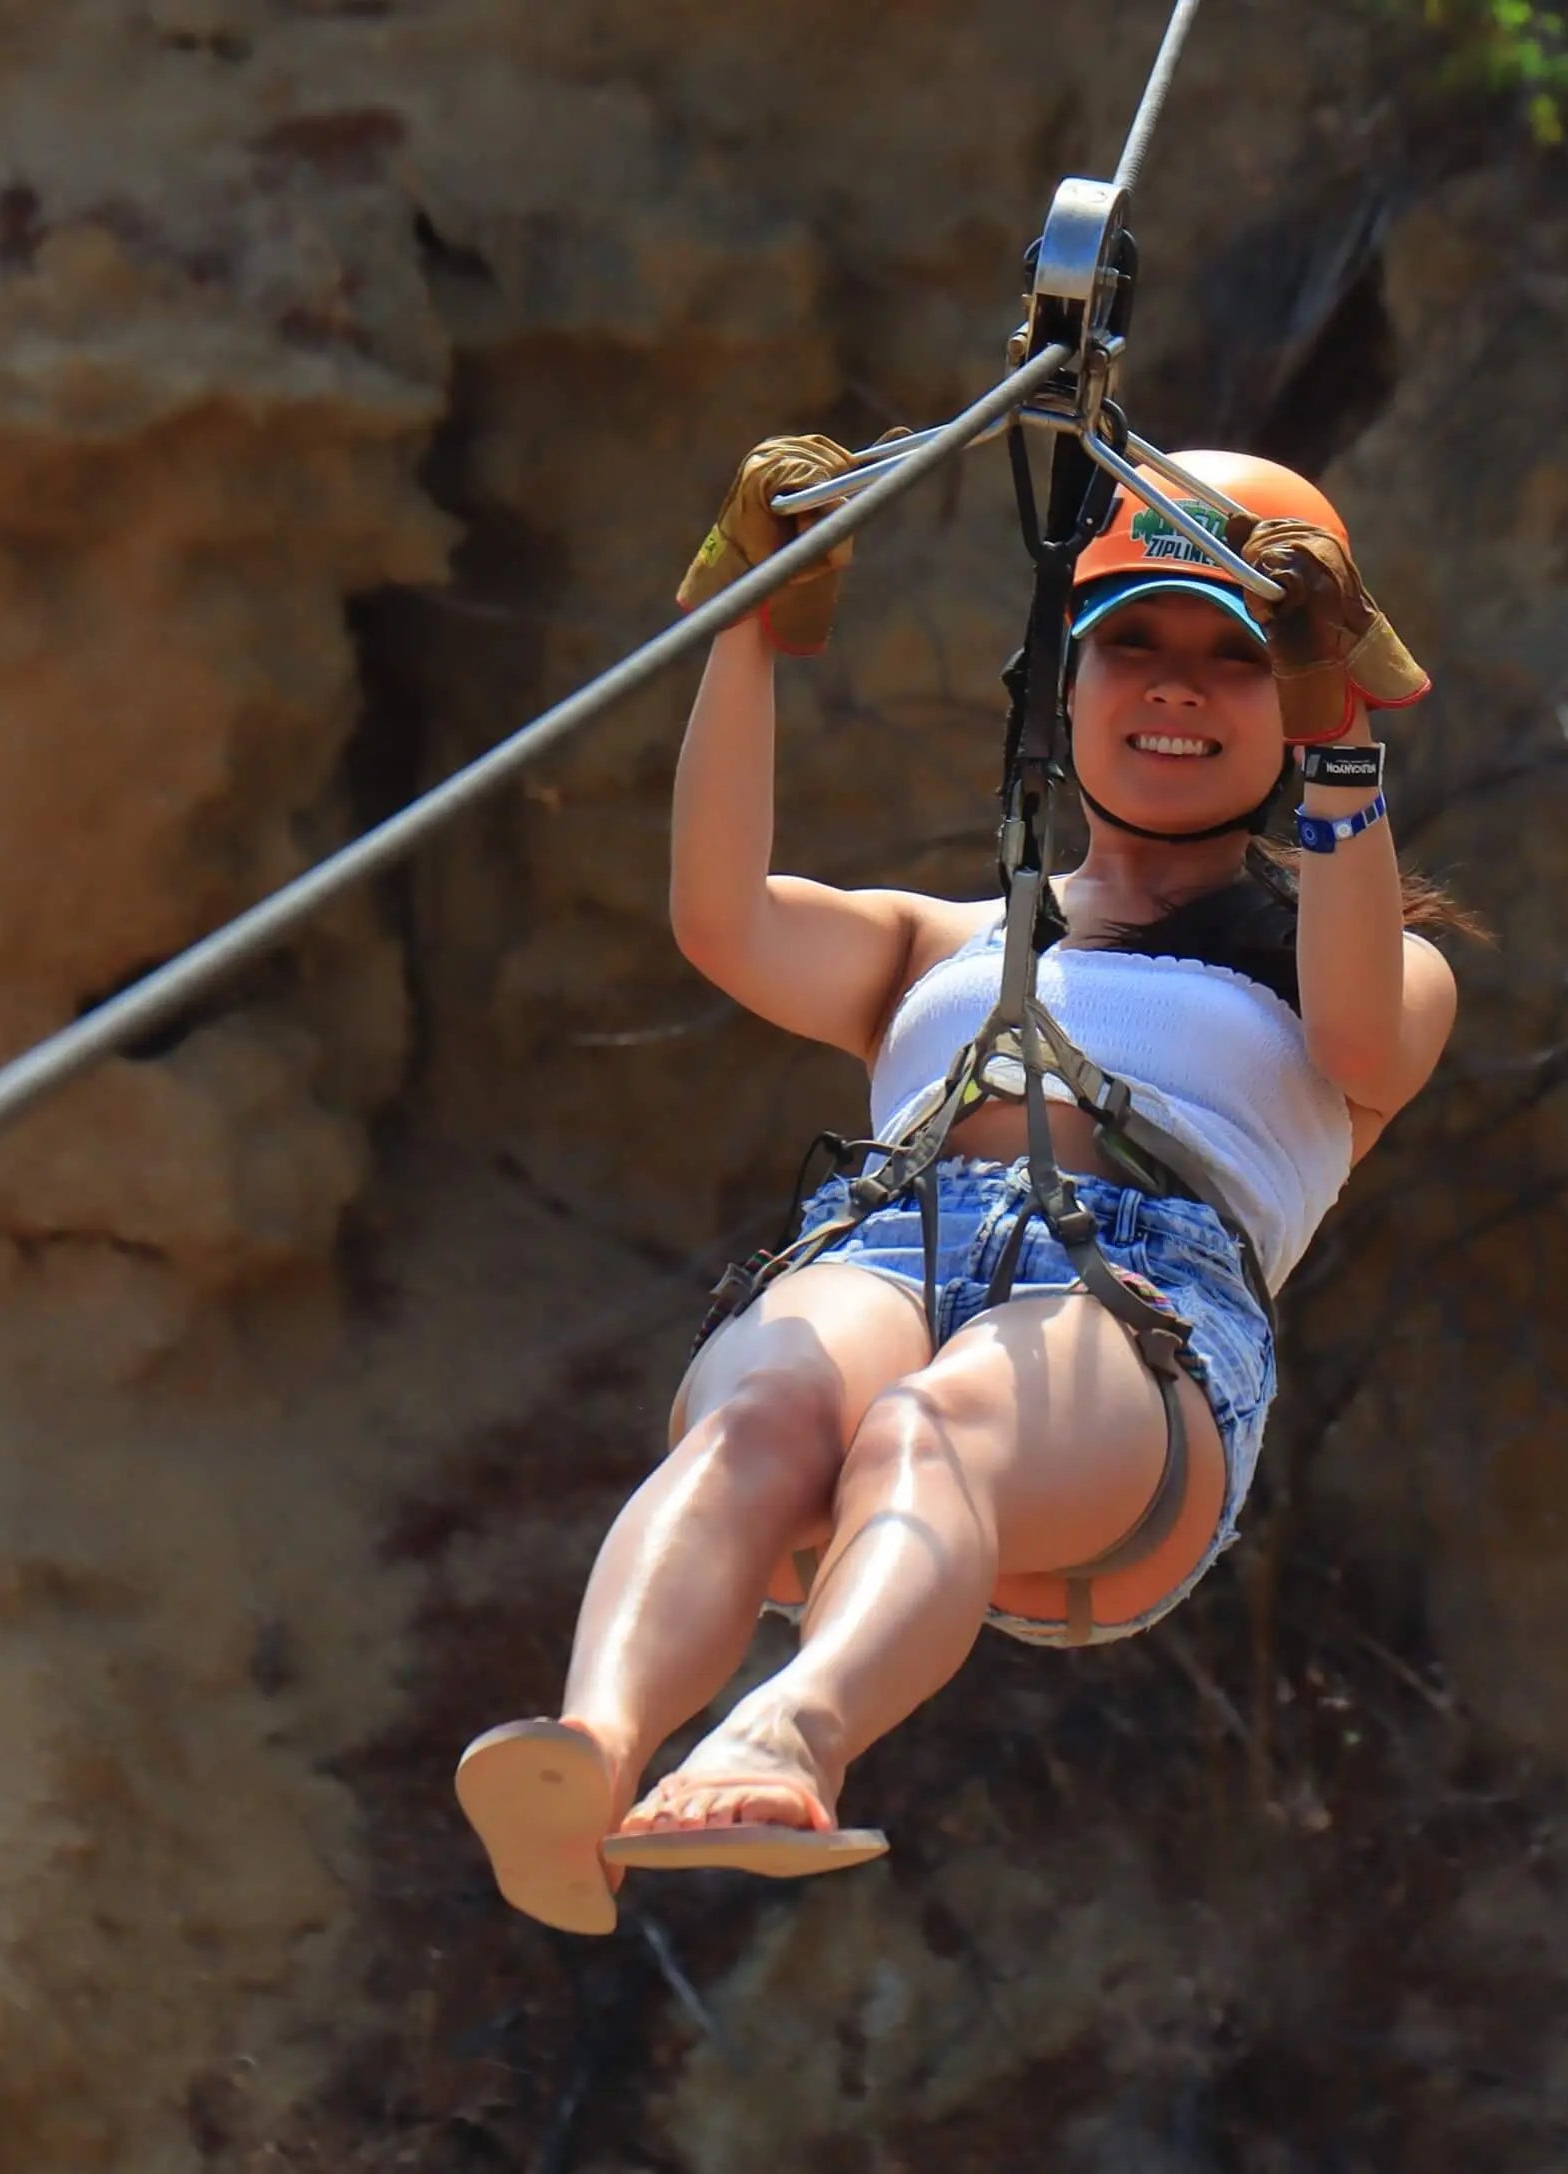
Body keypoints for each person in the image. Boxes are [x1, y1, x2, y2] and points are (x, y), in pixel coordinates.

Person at [453, 442, 1466, 1934]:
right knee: (761, 1412)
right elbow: (721, 917)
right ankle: (593, 1748)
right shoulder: (940, 942)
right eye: (1133, 642)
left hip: (1139, 1324)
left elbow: (1360, 1033)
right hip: (890, 1237)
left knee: (937, 1420)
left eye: (1231, 659)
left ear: (1293, 698)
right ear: (1065, 683)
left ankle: (790, 1733)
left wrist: (1344, 742)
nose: (1175, 688)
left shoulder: (1363, 967)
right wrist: (752, 611)